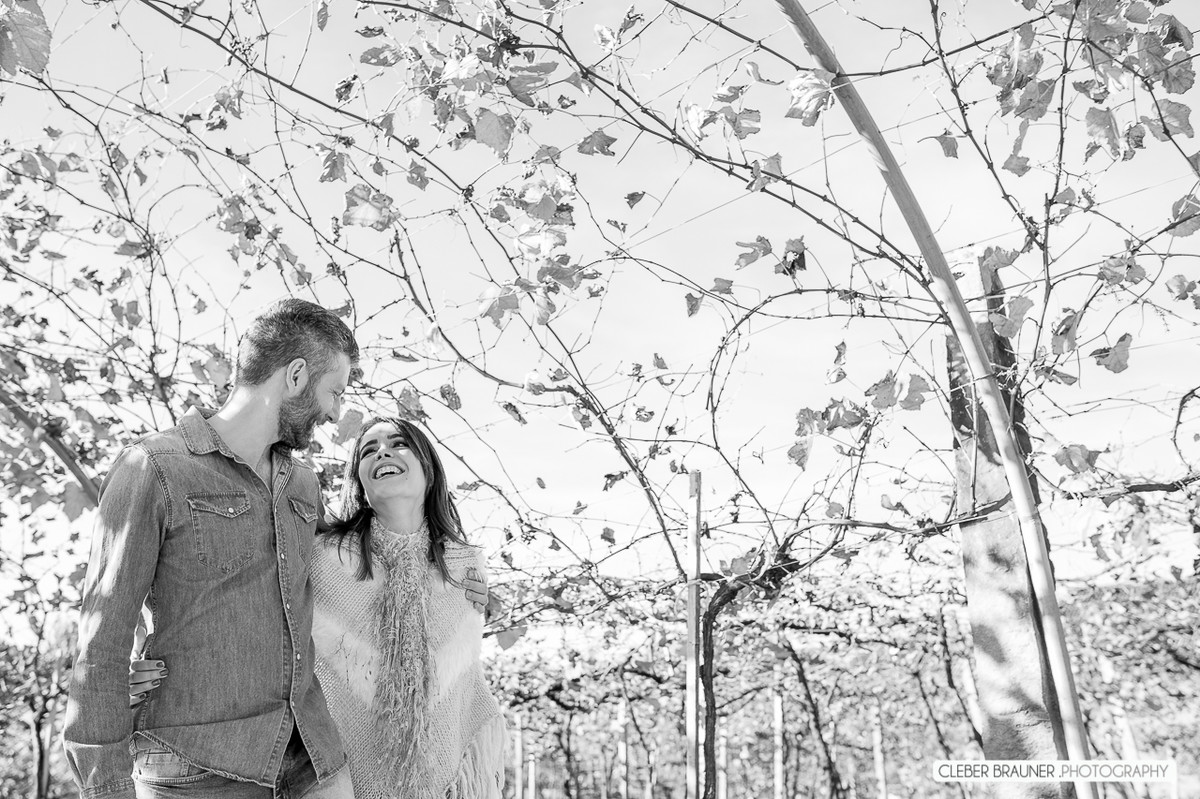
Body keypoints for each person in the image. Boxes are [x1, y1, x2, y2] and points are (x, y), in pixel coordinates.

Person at [63, 298, 361, 799]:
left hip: (312, 755)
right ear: (294, 376)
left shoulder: (303, 483)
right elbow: (104, 636)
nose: (335, 412)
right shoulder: (154, 468)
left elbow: (333, 581)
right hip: (198, 766)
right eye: (334, 392)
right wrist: (105, 786)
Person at [133, 417, 507, 799]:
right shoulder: (322, 556)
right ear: (359, 482)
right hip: (327, 772)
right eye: (368, 449)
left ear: (429, 469)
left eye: (399, 443)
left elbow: (458, 679)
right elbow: (228, 596)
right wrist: (144, 650)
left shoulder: (464, 567)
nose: (383, 452)